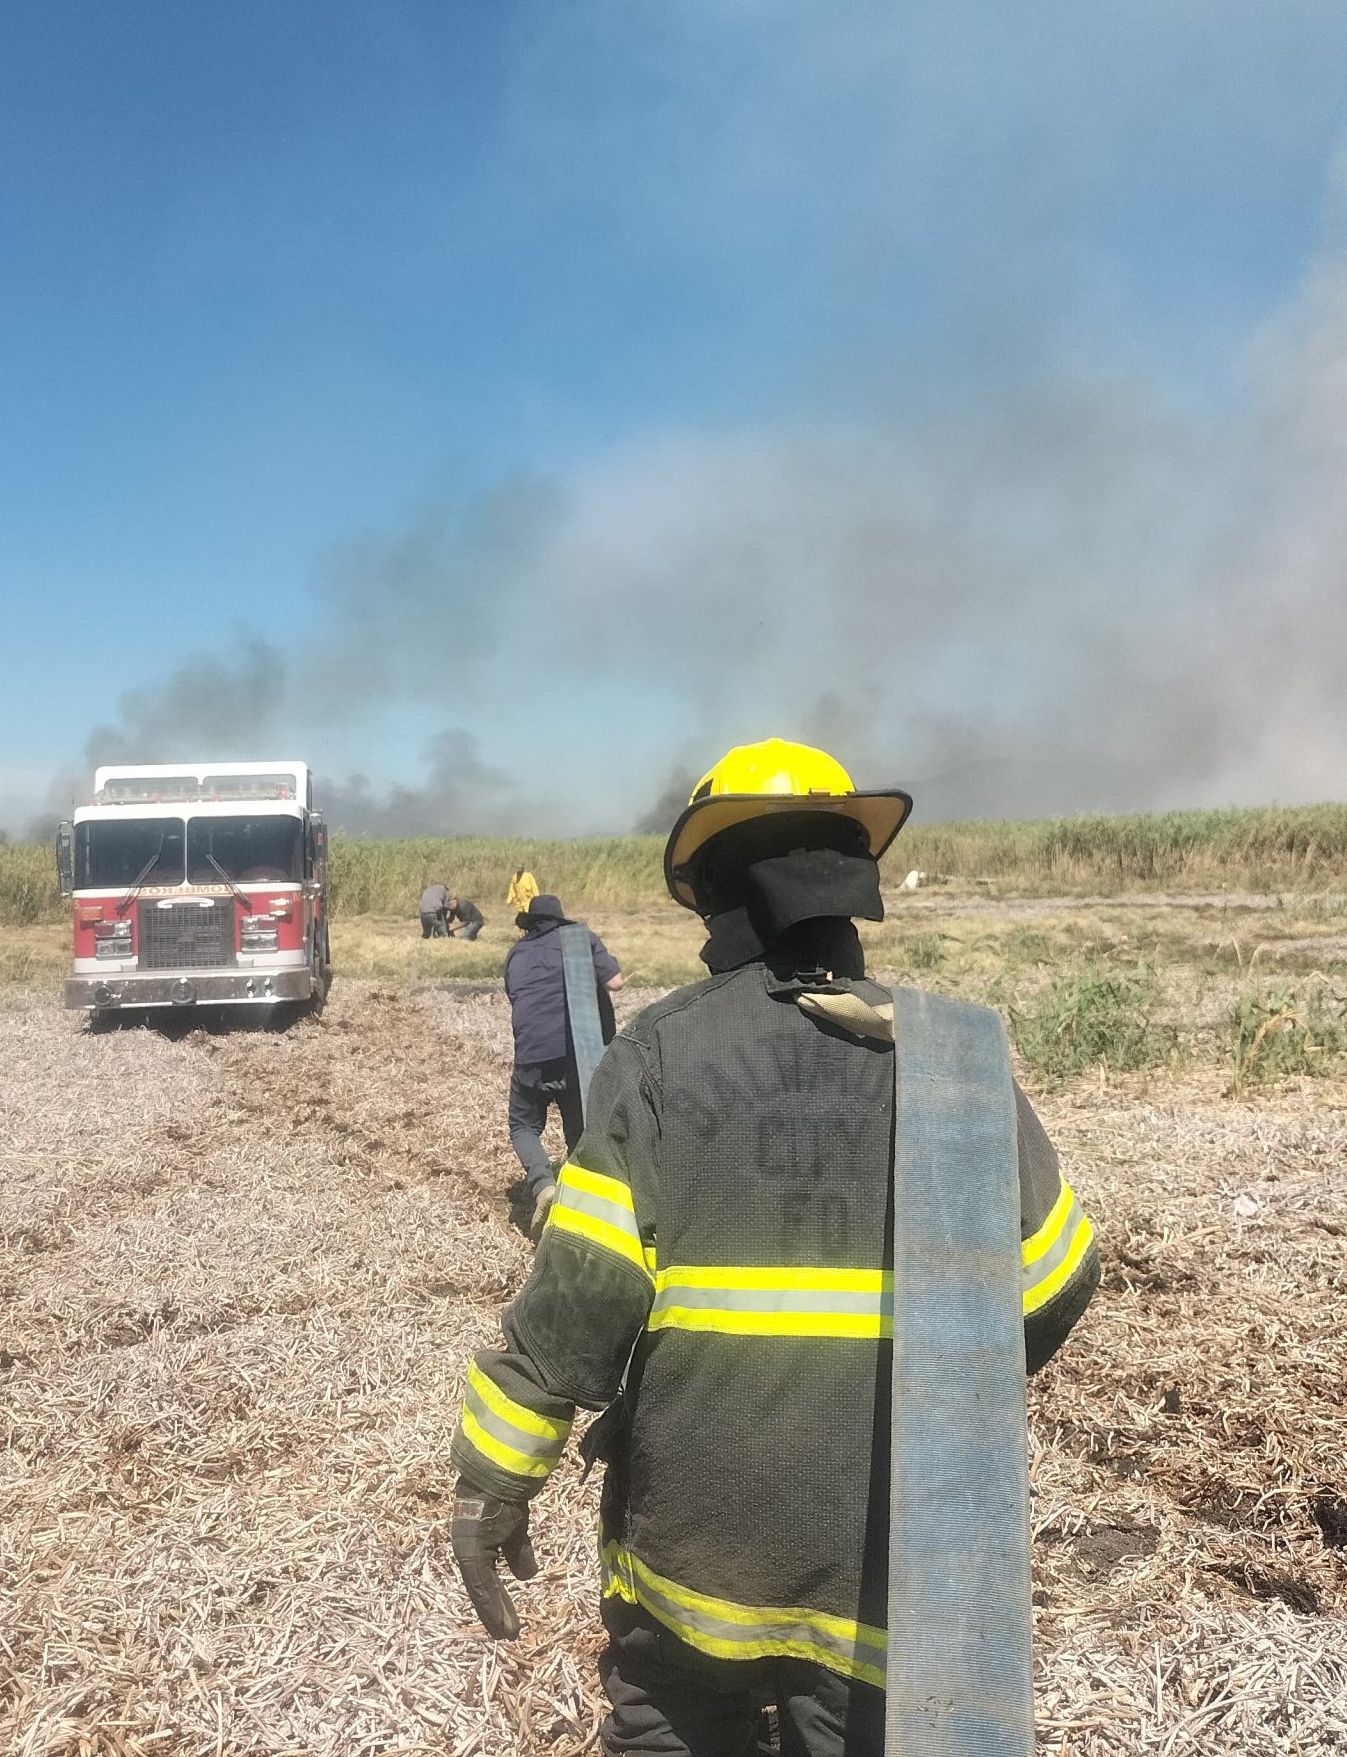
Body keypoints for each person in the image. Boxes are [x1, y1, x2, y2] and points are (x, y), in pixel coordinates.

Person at [447, 739, 1101, 1757]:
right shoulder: (952, 1057)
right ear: (852, 883)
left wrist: (494, 1477)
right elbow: (1061, 1275)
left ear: (711, 894)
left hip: (690, 1556)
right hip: (885, 1553)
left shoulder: (658, 1056)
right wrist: (947, 1388)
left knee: (665, 1723)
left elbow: (578, 1303)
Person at [498, 893, 622, 1212]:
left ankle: (543, 1185)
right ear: (561, 919)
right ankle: (583, 1199)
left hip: (530, 1054)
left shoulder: (515, 954)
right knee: (579, 1127)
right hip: (575, 1054)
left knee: (523, 1126)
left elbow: (516, 996)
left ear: (529, 924)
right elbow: (616, 983)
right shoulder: (580, 941)